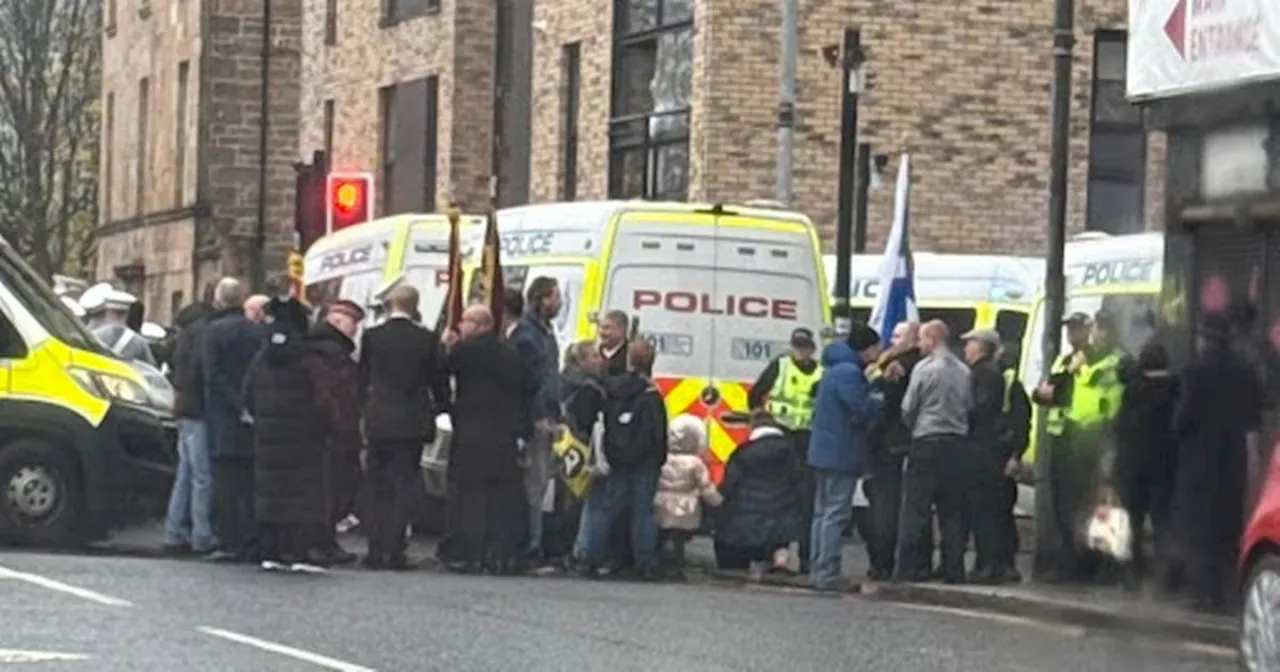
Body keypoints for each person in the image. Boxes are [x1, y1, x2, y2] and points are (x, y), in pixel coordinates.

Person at [1171, 315, 1261, 612]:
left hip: (1200, 461)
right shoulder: (1245, 371)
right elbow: (1254, 418)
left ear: (1205, 339)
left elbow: (1182, 420)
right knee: (1228, 525)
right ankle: (1227, 592)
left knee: (1199, 529)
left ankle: (1202, 594)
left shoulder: (1194, 371)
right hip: (1233, 460)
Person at [360, 285, 450, 570]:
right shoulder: (425, 338)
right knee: (404, 485)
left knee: (377, 485)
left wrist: (365, 410)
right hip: (411, 421)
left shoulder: (373, 336)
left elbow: (362, 378)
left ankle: (375, 547)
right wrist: (440, 409)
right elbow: (438, 382)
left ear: (390, 305)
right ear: (416, 305)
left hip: (379, 420)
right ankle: (395, 548)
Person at [1036, 311, 1127, 582]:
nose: (1071, 334)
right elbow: (1044, 392)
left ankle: (1104, 567)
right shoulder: (1065, 360)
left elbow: (1063, 390)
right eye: (1069, 329)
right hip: (1066, 438)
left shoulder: (1112, 361)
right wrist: (1057, 384)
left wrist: (1064, 381)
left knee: (1099, 505)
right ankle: (1074, 563)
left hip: (1098, 439)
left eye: (1078, 329)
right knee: (1066, 507)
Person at [242, 297, 327, 572]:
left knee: (269, 489)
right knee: (301, 490)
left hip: (267, 431)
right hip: (303, 431)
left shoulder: (262, 354)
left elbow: (248, 391)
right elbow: (322, 396)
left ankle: (271, 551)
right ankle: (299, 552)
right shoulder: (308, 356)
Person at [444, 304, 530, 574]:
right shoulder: (509, 353)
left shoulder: (464, 352)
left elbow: (442, 372)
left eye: (465, 321)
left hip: (471, 433)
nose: (460, 326)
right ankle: (500, 554)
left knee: (471, 498)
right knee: (500, 499)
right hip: (502, 435)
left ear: (480, 325)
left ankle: (472, 553)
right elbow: (526, 388)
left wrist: (447, 347)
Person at [580, 339, 668, 581]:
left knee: (606, 510)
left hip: (617, 458)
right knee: (643, 513)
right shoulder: (651, 394)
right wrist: (658, 460)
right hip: (644, 463)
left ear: (629, 360)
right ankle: (646, 564)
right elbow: (658, 433)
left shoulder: (613, 389)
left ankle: (591, 558)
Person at [807, 323, 884, 592]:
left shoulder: (834, 368)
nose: (879, 352)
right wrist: (876, 392)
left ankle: (817, 569)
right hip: (841, 452)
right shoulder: (850, 372)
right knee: (835, 514)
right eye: (877, 347)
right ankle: (827, 572)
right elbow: (862, 410)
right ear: (867, 348)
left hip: (823, 450)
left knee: (822, 513)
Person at [897, 320, 973, 583]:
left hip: (927, 441)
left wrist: (915, 425)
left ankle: (911, 568)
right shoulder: (964, 370)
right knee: (952, 510)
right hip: (957, 445)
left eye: (921, 339)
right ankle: (954, 568)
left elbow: (909, 407)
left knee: (916, 508)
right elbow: (969, 406)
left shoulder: (924, 369)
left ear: (932, 339)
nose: (918, 345)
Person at [202, 277, 269, 563]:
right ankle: (251, 539)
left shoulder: (212, 333)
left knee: (225, 483)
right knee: (250, 483)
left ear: (219, 300)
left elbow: (210, 375)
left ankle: (227, 540)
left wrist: (233, 403)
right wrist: (249, 404)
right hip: (254, 415)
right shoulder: (257, 334)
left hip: (223, 416)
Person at [749, 326, 823, 573]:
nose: (801, 352)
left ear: (812, 349)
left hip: (807, 441)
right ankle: (775, 553)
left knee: (805, 501)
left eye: (805, 348)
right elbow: (755, 394)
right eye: (797, 346)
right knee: (779, 497)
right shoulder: (780, 366)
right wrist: (761, 419)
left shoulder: (821, 373)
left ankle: (805, 559)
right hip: (782, 438)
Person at [304, 299, 365, 565]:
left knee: (327, 487)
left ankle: (321, 539)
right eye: (353, 324)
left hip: (321, 429)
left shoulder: (319, 349)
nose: (355, 331)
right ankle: (322, 541)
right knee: (330, 487)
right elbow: (338, 397)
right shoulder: (334, 355)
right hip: (333, 431)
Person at [1114, 340, 1178, 589]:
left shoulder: (1133, 390)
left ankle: (1133, 574)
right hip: (1165, 465)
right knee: (1163, 520)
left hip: (1134, 465)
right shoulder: (1175, 389)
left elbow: (1120, 426)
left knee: (1133, 520)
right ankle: (1166, 577)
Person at [509, 277, 563, 568]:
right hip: (536, 421)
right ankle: (531, 547)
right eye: (556, 297)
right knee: (534, 487)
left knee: (541, 487)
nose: (559, 302)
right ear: (542, 299)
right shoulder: (528, 335)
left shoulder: (544, 331)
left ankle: (535, 542)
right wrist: (540, 416)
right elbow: (532, 383)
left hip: (548, 418)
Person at [715, 411, 805, 579]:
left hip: (744, 520)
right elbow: (799, 483)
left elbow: (729, 484)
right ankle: (780, 559)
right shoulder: (793, 452)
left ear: (753, 427)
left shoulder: (744, 452)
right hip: (781, 518)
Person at [864, 321, 922, 580]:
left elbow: (883, 406)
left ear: (913, 339)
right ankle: (909, 564)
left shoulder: (897, 367)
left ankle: (883, 563)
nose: (892, 340)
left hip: (889, 444)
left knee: (885, 507)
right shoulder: (914, 363)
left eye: (899, 336)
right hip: (905, 443)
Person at [161, 302, 217, 556]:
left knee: (185, 474)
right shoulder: (203, 335)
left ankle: (174, 531)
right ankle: (201, 534)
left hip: (182, 408)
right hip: (197, 409)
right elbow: (205, 373)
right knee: (202, 476)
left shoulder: (182, 337)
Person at [959, 328, 1011, 584]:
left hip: (983, 450)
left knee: (985, 511)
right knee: (982, 510)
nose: (966, 348)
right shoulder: (983, 372)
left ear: (982, 346)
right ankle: (985, 563)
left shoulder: (986, 373)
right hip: (983, 449)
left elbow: (981, 408)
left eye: (970, 343)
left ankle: (989, 565)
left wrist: (961, 414)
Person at [655, 414, 722, 579]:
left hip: (660, 502)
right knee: (679, 538)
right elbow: (705, 486)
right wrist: (717, 501)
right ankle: (677, 565)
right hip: (686, 507)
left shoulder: (662, 459)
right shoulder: (696, 463)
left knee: (660, 535)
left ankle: (657, 561)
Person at [79, 283, 157, 366]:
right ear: (127, 313)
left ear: (107, 310)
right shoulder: (139, 342)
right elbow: (151, 370)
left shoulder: (90, 337)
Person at [597, 310, 630, 376]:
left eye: (606, 328)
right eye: (600, 327)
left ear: (621, 329)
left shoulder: (630, 355)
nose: (601, 332)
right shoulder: (594, 353)